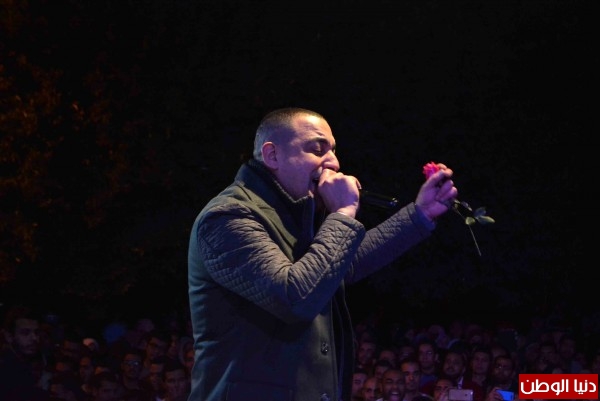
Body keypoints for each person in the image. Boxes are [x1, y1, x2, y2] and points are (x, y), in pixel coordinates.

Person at [187, 107, 458, 401]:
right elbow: (294, 298)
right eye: (318, 150)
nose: (334, 163)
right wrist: (343, 213)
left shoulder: (299, 211)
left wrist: (419, 215)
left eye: (333, 150)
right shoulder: (227, 217)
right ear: (272, 155)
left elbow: (342, 265)